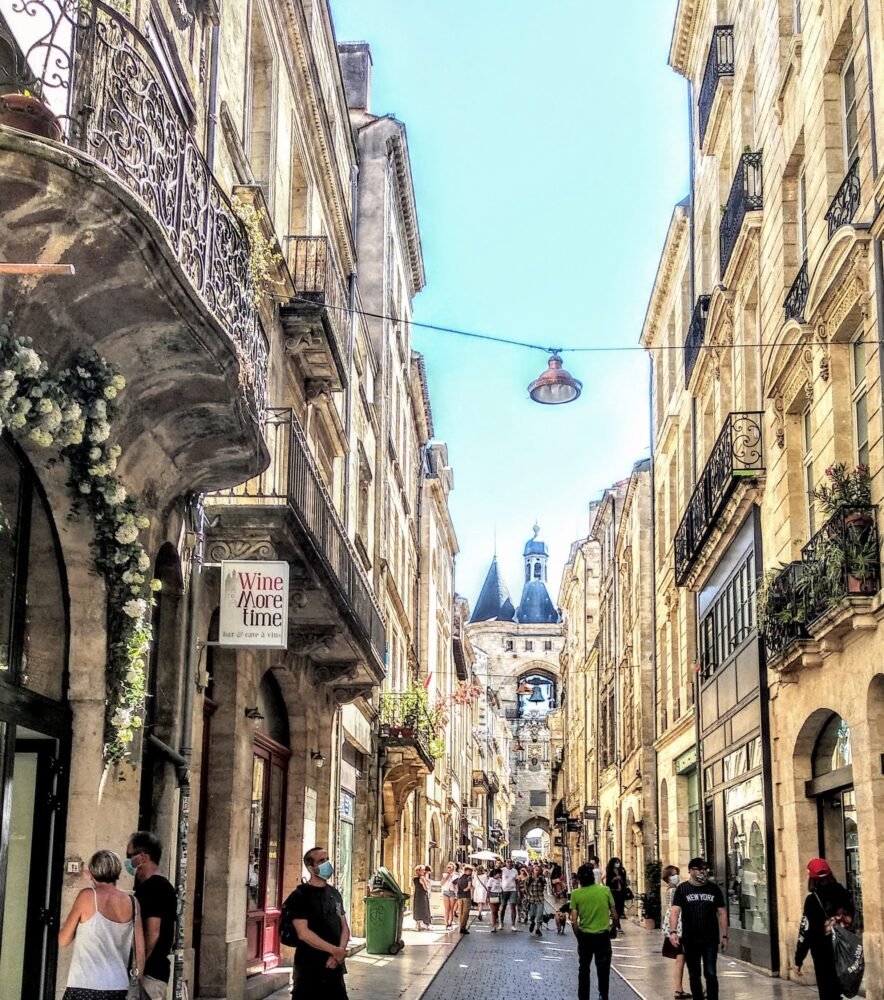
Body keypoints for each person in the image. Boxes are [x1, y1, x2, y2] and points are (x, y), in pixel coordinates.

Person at [59, 849, 145, 1000]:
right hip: (118, 987)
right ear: (118, 872)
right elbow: (140, 953)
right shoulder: (132, 903)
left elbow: (63, 940)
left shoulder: (87, 896)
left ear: (92, 872)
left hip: (84, 984)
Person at [286, 846, 350, 999]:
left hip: (334, 967)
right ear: (311, 868)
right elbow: (303, 933)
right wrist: (335, 951)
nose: (327, 864)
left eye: (327, 859)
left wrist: (338, 954)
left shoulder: (334, 894)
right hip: (309, 968)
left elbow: (344, 927)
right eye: (321, 861)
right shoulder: (300, 896)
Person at [794, 857, 855, 999]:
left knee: (828, 992)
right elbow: (853, 919)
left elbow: (806, 932)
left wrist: (799, 960)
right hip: (844, 948)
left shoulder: (812, 900)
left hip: (823, 954)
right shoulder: (843, 893)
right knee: (839, 989)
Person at [126, 830, 177, 1000]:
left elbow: (152, 932)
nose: (128, 861)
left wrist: (137, 970)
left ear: (143, 857)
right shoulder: (153, 887)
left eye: (130, 855)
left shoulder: (155, 888)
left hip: (150, 975)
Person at [668, 857, 728, 1000]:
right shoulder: (682, 889)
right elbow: (675, 911)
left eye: (704, 869)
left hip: (710, 938)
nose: (702, 872)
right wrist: (673, 931)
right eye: (699, 869)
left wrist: (725, 936)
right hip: (691, 938)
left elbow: (722, 912)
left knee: (711, 973)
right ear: (690, 871)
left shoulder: (713, 888)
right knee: (694, 973)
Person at [570, 862, 619, 1000]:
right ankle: (603, 996)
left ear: (580, 879)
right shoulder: (605, 890)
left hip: (585, 937)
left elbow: (574, 921)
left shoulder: (576, 894)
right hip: (603, 937)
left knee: (584, 969)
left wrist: (578, 935)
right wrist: (613, 928)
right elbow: (615, 915)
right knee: (603, 970)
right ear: (593, 877)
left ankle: (583, 997)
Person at [662, 864, 689, 999]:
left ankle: (680, 989)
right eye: (673, 874)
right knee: (681, 958)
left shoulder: (670, 890)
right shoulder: (674, 891)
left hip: (676, 927)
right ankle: (679, 989)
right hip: (678, 927)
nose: (676, 876)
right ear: (668, 877)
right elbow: (676, 910)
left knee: (682, 958)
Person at [526, 862, 547, 937]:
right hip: (532, 899)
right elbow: (526, 886)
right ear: (533, 870)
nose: (537, 871)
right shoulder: (529, 878)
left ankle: (538, 929)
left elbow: (544, 885)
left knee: (539, 915)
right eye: (536, 870)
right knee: (532, 915)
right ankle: (532, 922)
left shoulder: (542, 878)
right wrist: (528, 894)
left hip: (540, 899)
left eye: (538, 870)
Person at [499, 858, 519, 931]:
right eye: (508, 862)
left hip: (512, 890)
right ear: (505, 863)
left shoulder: (515, 871)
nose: (509, 863)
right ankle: (501, 923)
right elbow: (498, 879)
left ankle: (513, 925)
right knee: (503, 907)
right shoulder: (502, 870)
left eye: (511, 862)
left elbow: (517, 881)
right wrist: (499, 888)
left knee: (512, 907)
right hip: (504, 890)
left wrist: (517, 890)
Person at [412, 864, 431, 930]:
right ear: (419, 871)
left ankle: (418, 924)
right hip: (423, 895)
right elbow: (426, 888)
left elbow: (414, 888)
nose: (424, 871)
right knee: (424, 908)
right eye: (423, 870)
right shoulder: (422, 878)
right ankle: (426, 924)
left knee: (417, 909)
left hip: (417, 895)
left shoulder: (414, 879)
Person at [456, 864, 474, 934]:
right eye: (471, 871)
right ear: (468, 871)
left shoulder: (460, 877)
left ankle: (460, 925)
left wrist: (460, 891)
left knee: (460, 912)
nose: (471, 872)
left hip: (460, 896)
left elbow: (457, 886)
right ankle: (463, 927)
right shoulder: (469, 877)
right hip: (466, 896)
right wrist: (465, 890)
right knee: (465, 912)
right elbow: (469, 886)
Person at [440, 862, 459, 929]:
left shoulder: (455, 877)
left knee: (451, 908)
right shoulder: (444, 875)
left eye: (451, 869)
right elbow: (441, 883)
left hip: (452, 892)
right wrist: (446, 878)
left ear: (454, 869)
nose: (449, 870)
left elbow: (456, 887)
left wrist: (455, 888)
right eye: (448, 868)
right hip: (445, 891)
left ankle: (450, 922)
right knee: (446, 908)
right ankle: (446, 922)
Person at [486, 867, 503, 932]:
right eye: (500, 874)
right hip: (493, 895)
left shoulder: (500, 880)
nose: (500, 875)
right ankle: (493, 926)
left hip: (499, 895)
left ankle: (498, 921)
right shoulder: (491, 880)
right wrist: (487, 897)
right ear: (497, 873)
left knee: (498, 910)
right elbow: (489, 889)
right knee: (493, 911)